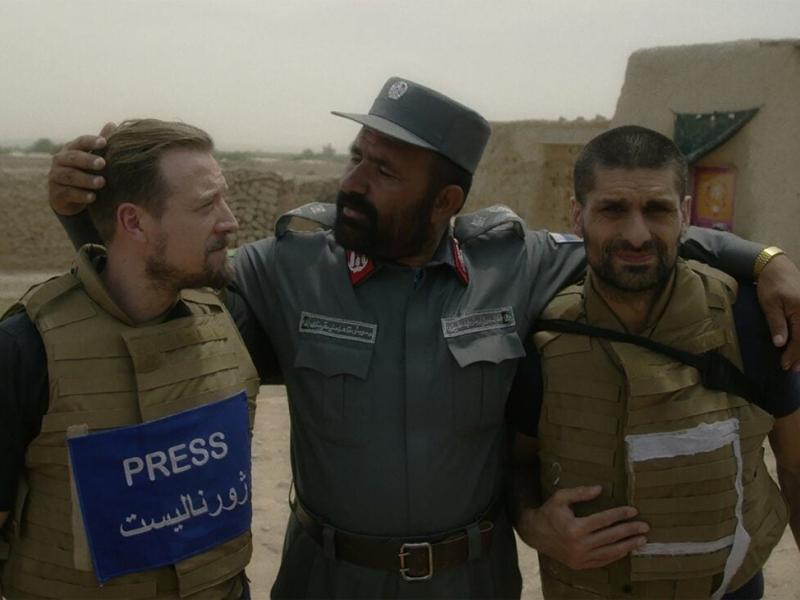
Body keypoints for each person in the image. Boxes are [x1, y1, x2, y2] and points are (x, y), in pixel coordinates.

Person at [47, 78, 800, 598]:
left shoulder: (515, 263)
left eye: (383, 170)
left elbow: (633, 238)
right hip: (326, 579)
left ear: (444, 201)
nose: (352, 181)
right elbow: (154, 280)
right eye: (356, 156)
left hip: (470, 581)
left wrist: (763, 260)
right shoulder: (289, 264)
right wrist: (81, 212)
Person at [509, 125, 800, 599]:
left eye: (657, 209)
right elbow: (517, 465)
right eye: (612, 209)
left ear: (684, 214)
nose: (637, 234)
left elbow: (796, 465)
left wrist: (771, 261)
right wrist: (532, 523)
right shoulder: (544, 339)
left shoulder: (747, 320)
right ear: (577, 215)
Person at [0, 119, 261, 598]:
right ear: (134, 222)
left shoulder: (228, 323)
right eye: (206, 205)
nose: (230, 221)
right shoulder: (26, 349)